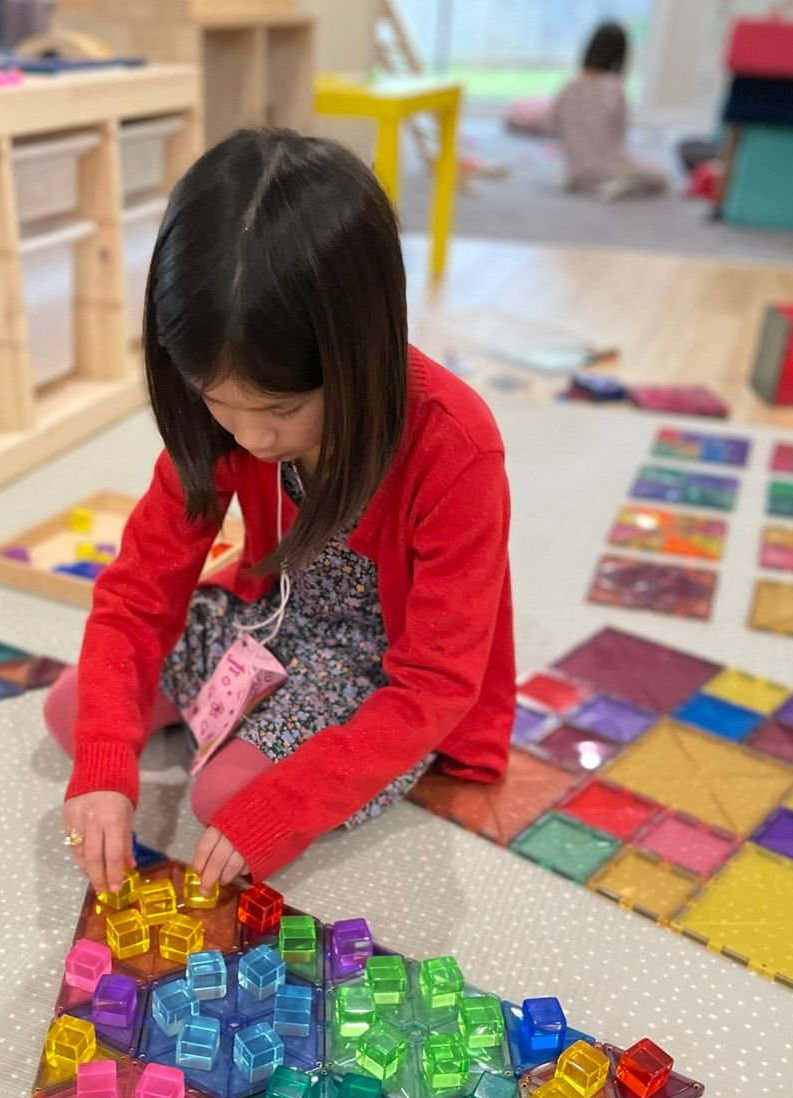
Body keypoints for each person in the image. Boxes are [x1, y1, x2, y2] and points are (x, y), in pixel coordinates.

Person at [45, 128, 515, 896]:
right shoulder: (230, 413)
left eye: (282, 409)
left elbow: (435, 682)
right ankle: (227, 729)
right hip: (268, 618)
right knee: (78, 716)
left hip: (377, 668)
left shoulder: (456, 446)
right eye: (219, 406)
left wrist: (284, 808)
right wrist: (104, 761)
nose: (251, 438)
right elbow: (135, 594)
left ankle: (240, 743)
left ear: (359, 355)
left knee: (223, 800)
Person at [551, 21, 668, 200]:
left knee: (594, 167)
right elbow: (619, 135)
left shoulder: (569, 86)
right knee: (657, 174)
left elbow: (552, 126)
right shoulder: (614, 88)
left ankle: (578, 178)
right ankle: (619, 182)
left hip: (576, 165)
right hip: (608, 166)